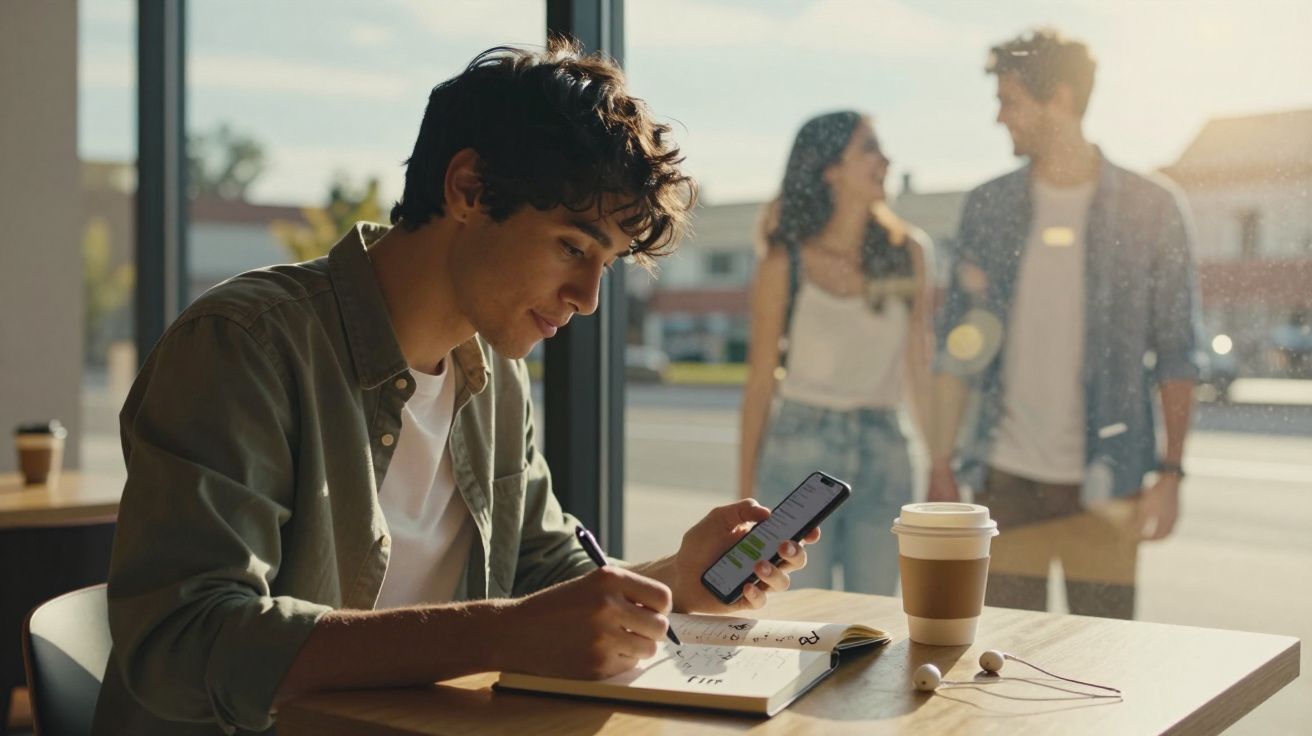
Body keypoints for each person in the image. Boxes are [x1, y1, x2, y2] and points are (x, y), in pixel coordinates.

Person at [93, 41, 820, 735]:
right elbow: (185, 643)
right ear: (468, 188)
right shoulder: (244, 345)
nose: (589, 298)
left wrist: (675, 578)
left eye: (609, 263)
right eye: (573, 246)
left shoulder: (495, 371)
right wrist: (496, 634)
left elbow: (542, 571)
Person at [928, 28, 1203, 619]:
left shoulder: (1151, 208)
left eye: (1010, 101)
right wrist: (941, 464)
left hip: (1110, 484)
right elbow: (959, 346)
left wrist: (1171, 473)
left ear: (1059, 98)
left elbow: (1179, 352)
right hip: (1003, 482)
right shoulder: (988, 207)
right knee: (1002, 661)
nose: (1000, 118)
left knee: (1099, 668)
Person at [738, 111, 933, 596]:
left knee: (874, 619)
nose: (885, 159)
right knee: (799, 617)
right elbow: (761, 380)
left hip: (887, 448)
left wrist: (943, 466)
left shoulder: (909, 251)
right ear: (830, 169)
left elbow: (920, 369)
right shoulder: (784, 261)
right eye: (869, 148)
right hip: (800, 454)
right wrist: (744, 499)